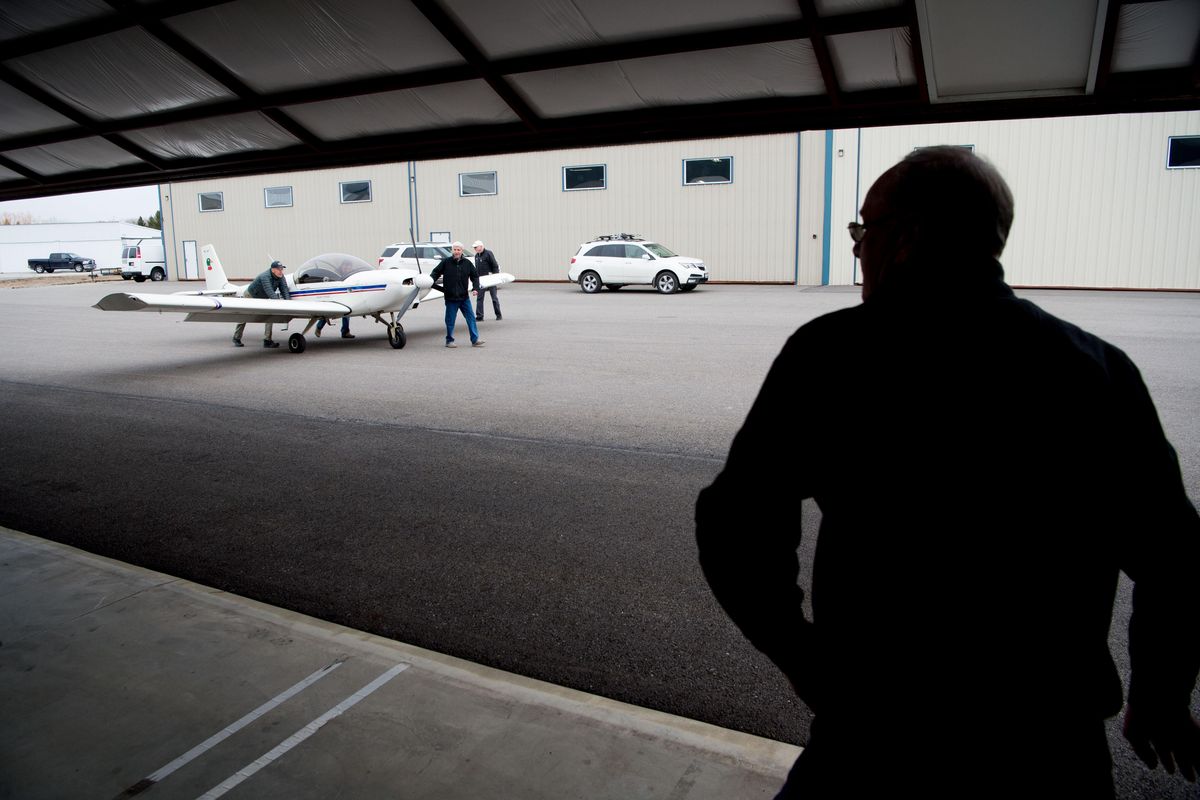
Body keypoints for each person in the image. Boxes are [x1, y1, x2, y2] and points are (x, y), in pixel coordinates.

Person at [695, 146, 1200, 798]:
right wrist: (1159, 694)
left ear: (904, 237)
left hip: (877, 741)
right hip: (1050, 754)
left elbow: (735, 524)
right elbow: (1176, 555)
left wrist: (804, 659)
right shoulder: (1097, 371)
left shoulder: (835, 355)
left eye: (862, 232)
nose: (856, 250)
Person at [430, 242, 484, 348]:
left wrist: (475, 288)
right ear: (452, 251)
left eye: (458, 250)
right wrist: (430, 281)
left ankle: (475, 339)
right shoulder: (446, 262)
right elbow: (435, 272)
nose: (456, 251)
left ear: (462, 251)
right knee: (450, 321)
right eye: (454, 249)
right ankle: (449, 340)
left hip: (464, 298)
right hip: (450, 299)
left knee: (471, 318)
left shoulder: (467, 263)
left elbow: (475, 276)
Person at [233, 260, 291, 348]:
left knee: (270, 317)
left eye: (282, 269)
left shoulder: (281, 277)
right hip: (251, 296)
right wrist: (280, 304)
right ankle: (236, 338)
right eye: (279, 269)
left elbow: (285, 290)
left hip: (264, 298)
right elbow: (270, 292)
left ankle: (267, 340)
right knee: (244, 316)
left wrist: (288, 303)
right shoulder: (265, 277)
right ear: (273, 270)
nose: (281, 271)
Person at [472, 240, 502, 321]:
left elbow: (495, 265)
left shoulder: (488, 253)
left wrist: (495, 277)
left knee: (494, 298)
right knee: (479, 298)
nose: (475, 249)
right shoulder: (476, 256)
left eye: (476, 247)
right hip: (481, 280)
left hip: (490, 279)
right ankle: (479, 316)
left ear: (481, 246)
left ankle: (498, 315)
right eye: (474, 248)